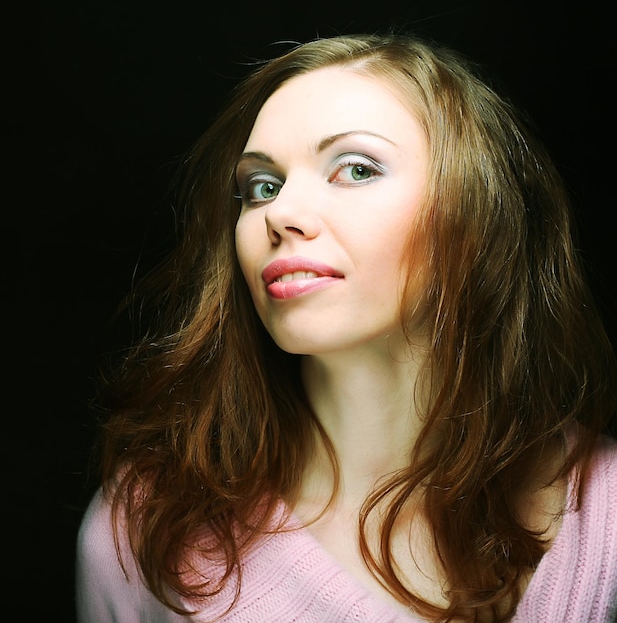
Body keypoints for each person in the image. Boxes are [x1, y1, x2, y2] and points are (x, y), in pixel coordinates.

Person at [75, 33, 617, 622]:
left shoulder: (606, 513)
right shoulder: (144, 527)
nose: (279, 213)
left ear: (476, 219)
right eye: (262, 186)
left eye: (355, 168)